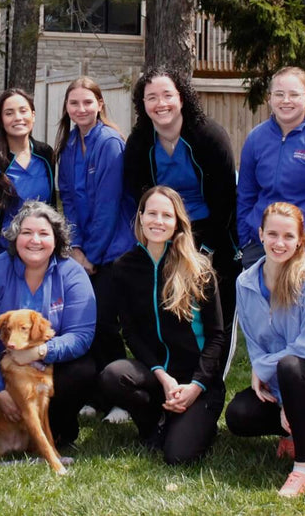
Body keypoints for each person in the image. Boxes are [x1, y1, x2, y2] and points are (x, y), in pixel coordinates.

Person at [225, 202, 305, 497]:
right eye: (272, 234)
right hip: (282, 385)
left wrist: (262, 368)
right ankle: (294, 433)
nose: (279, 243)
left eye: (288, 236)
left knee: (290, 365)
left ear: (299, 241)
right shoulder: (244, 283)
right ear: (260, 234)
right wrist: (277, 392)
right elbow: (254, 343)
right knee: (238, 415)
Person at [99, 186, 227, 465]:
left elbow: (217, 337)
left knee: (178, 455)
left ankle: (197, 421)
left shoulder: (199, 269)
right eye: (152, 213)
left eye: (166, 215)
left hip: (198, 382)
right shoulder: (124, 267)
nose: (158, 221)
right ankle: (154, 424)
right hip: (158, 377)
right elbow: (130, 332)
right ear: (140, 218)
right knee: (113, 374)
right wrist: (162, 377)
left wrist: (195, 385)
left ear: (178, 222)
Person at [124, 67, 240, 370]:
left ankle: (214, 376)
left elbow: (227, 198)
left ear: (182, 98)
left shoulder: (209, 136)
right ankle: (171, 370)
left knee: (215, 308)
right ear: (142, 104)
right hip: (166, 228)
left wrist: (208, 248)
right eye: (151, 97)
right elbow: (137, 193)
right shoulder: (139, 143)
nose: (160, 104)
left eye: (167, 95)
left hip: (214, 228)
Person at [0, 201, 97, 448]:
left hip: (48, 366)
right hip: (1, 370)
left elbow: (81, 335)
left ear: (56, 239)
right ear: (15, 237)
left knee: (83, 370)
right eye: (26, 233)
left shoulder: (72, 274)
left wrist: (40, 352)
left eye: (43, 233)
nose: (34, 240)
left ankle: (59, 430)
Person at [55, 76, 136, 412]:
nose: (81, 109)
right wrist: (74, 248)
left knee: (105, 321)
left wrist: (93, 255)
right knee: (83, 320)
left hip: (113, 249)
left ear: (100, 104)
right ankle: (95, 394)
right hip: (84, 251)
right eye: (74, 103)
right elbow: (69, 201)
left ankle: (120, 397)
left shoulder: (110, 143)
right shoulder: (71, 145)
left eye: (88, 102)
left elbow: (108, 204)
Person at [236, 67, 305, 294]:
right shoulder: (256, 139)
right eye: (279, 94)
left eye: (294, 94)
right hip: (262, 248)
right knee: (264, 322)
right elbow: (245, 194)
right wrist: (246, 240)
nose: (285, 100)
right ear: (270, 99)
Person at [0, 88, 57, 264]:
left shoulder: (45, 154)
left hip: (39, 252)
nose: (18, 117)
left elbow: (52, 206)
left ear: (33, 115)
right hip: (1, 256)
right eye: (9, 113)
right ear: (1, 119)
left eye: (23, 111)